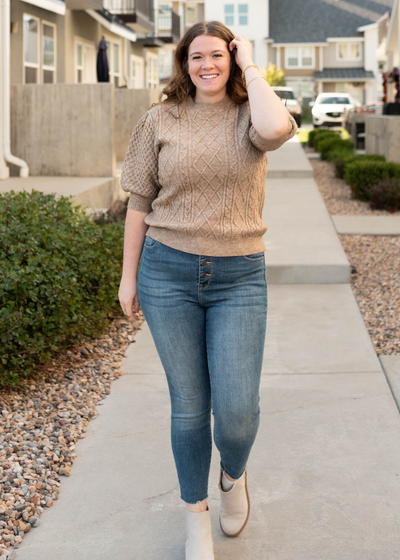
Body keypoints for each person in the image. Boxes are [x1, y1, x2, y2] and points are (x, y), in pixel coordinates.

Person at [118, 20, 297, 560]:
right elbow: (139, 202)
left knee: (238, 411)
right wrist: (128, 277)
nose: (206, 65)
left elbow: (280, 130)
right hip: (166, 273)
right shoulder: (159, 119)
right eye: (196, 57)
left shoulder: (251, 115)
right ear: (184, 63)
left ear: (232, 57)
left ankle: (234, 474)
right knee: (190, 408)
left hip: (239, 276)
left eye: (217, 55)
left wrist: (251, 67)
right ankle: (194, 518)